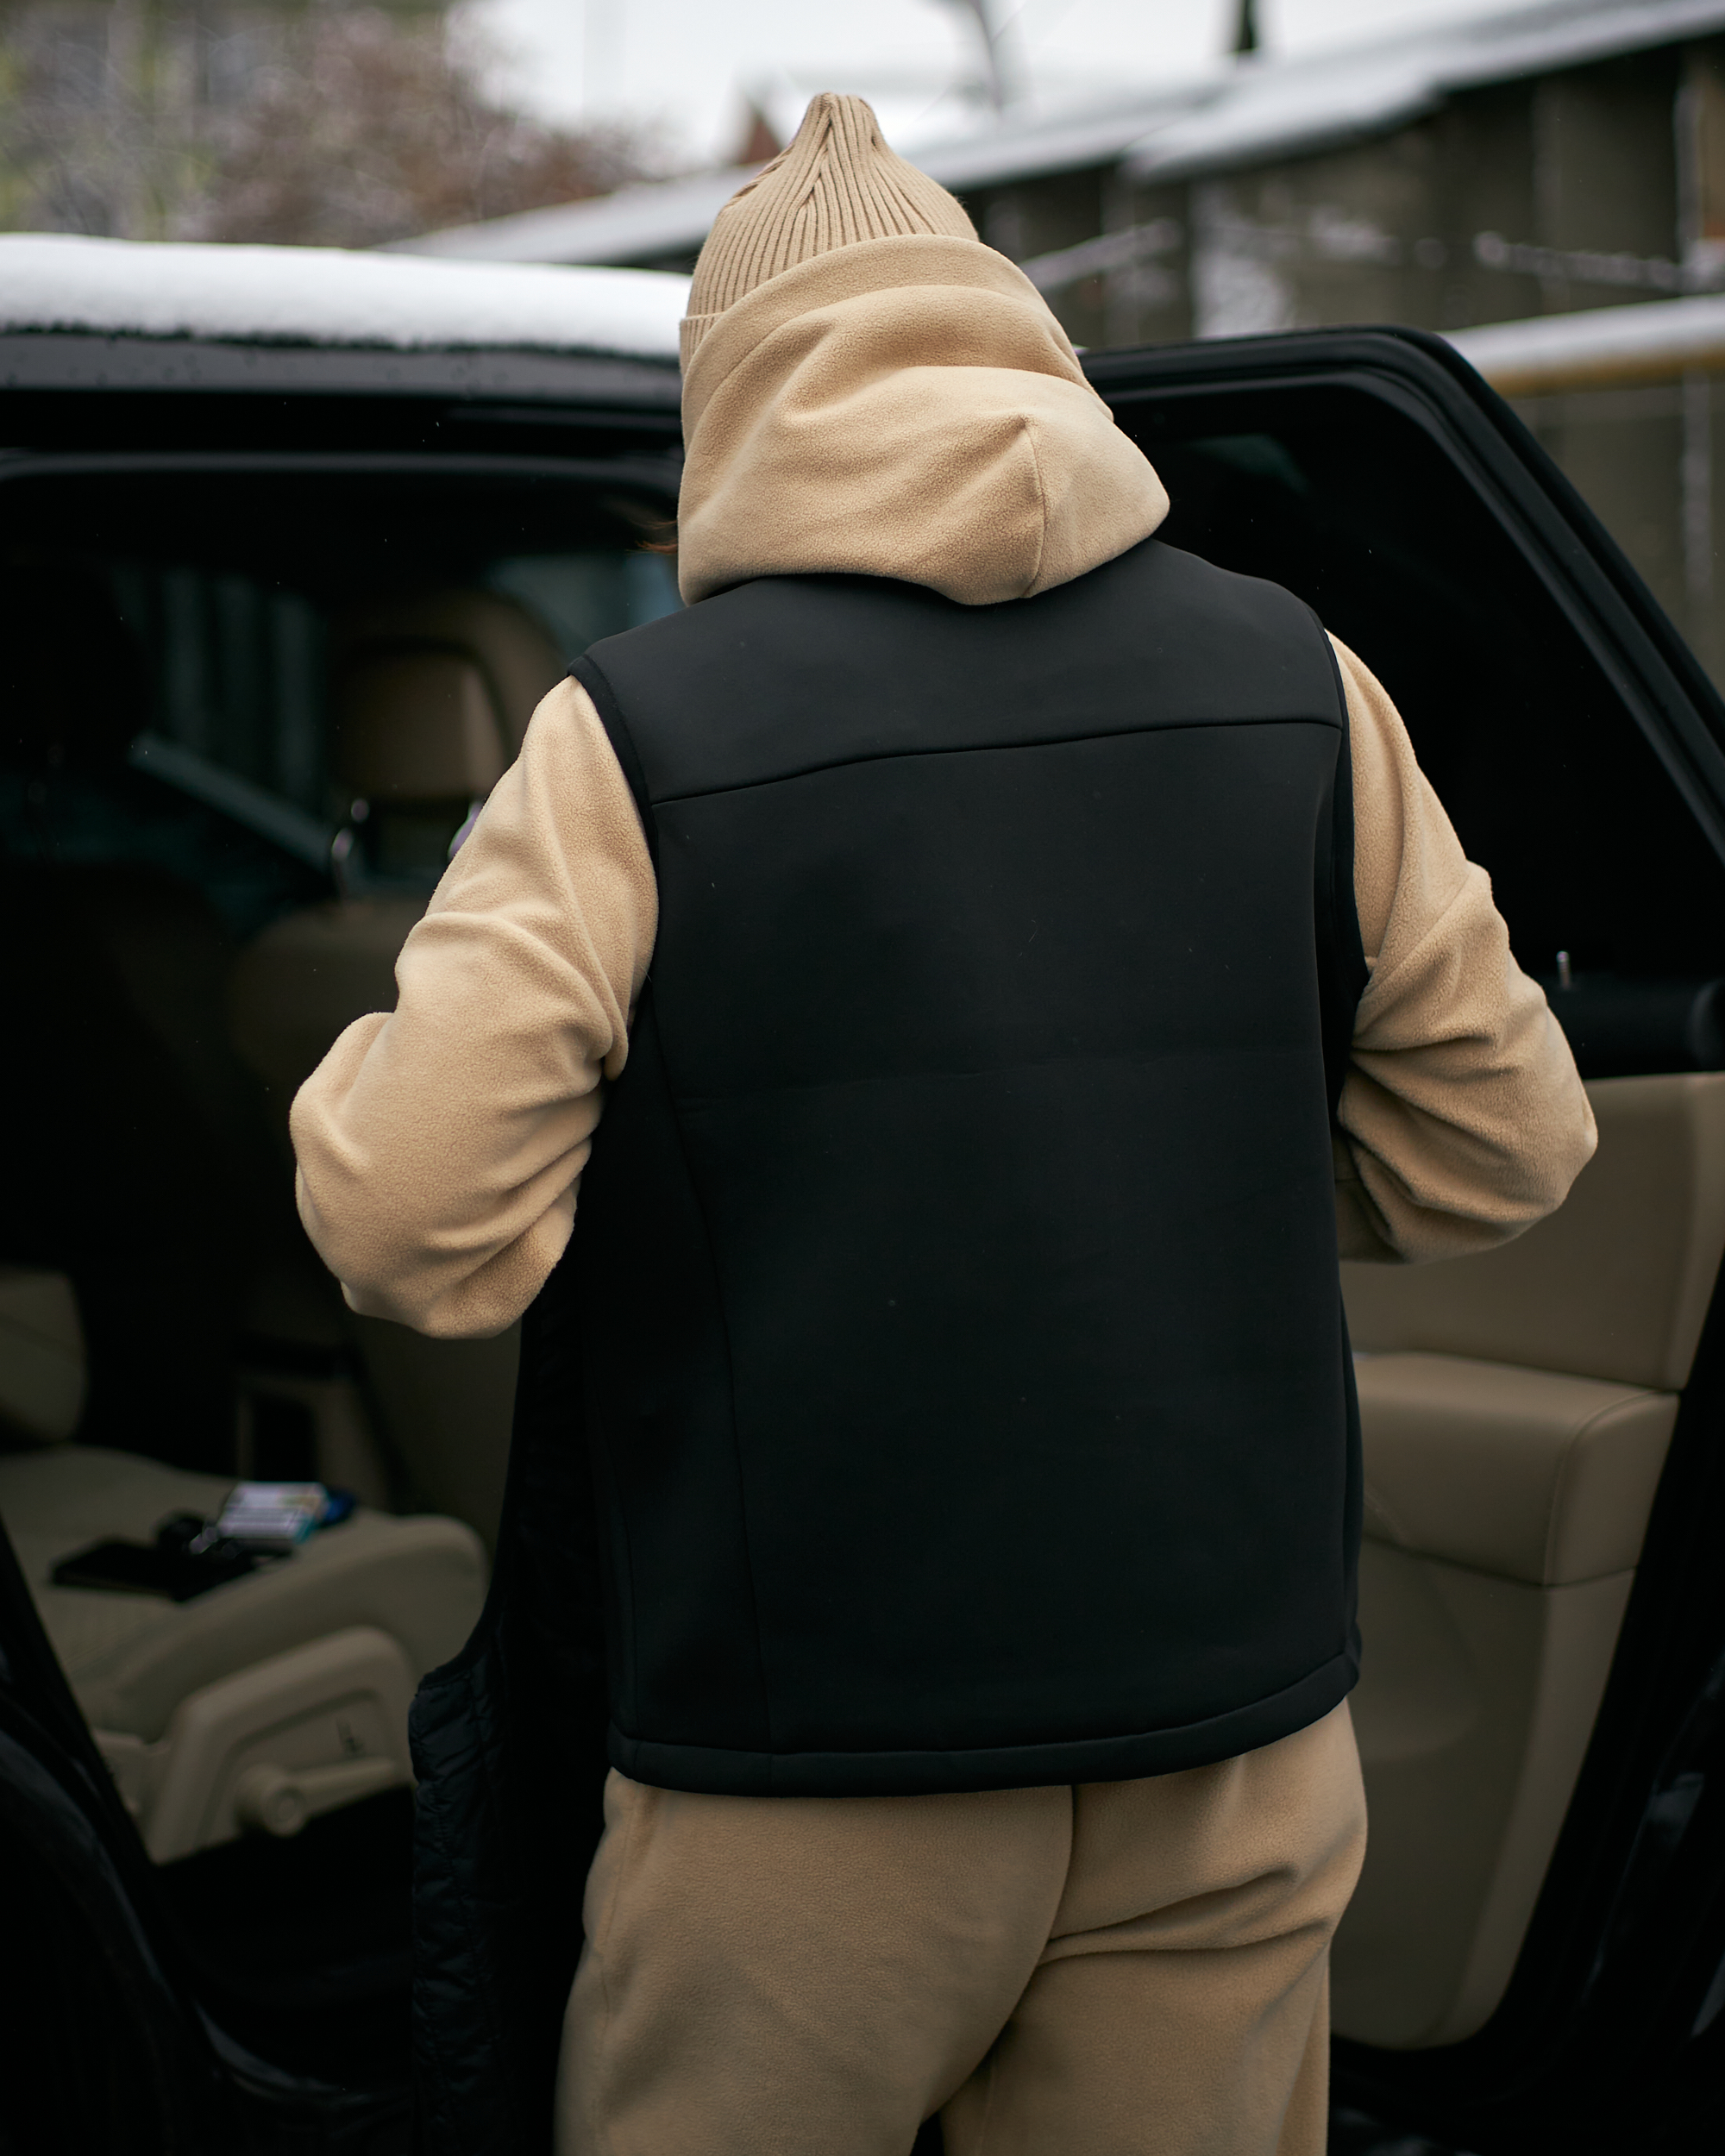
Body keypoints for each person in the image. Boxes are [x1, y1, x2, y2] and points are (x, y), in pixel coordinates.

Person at [292, 93, 1596, 2156]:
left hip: (806, 1772)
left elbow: (409, 1222)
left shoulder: (631, 738)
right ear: (1021, 348)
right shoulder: (1302, 679)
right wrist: (1161, 1185)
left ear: (737, 403)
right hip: (1234, 1738)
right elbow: (1507, 1144)